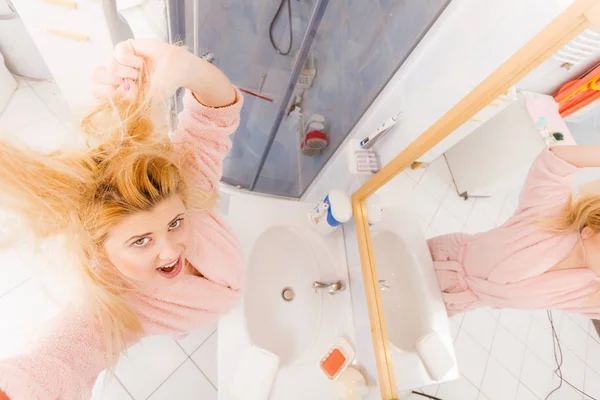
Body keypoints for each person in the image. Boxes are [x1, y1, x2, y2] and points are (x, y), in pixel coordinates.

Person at [0, 39, 244, 399]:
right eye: (141, 240)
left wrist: (181, 65)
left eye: (175, 222)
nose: (170, 251)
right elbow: (53, 365)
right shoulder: (109, 308)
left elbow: (216, 113)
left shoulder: (187, 182)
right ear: (101, 250)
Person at [429, 145, 600, 317]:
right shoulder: (551, 215)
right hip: (434, 260)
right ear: (589, 231)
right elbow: (556, 162)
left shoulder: (587, 293)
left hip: (452, 302)